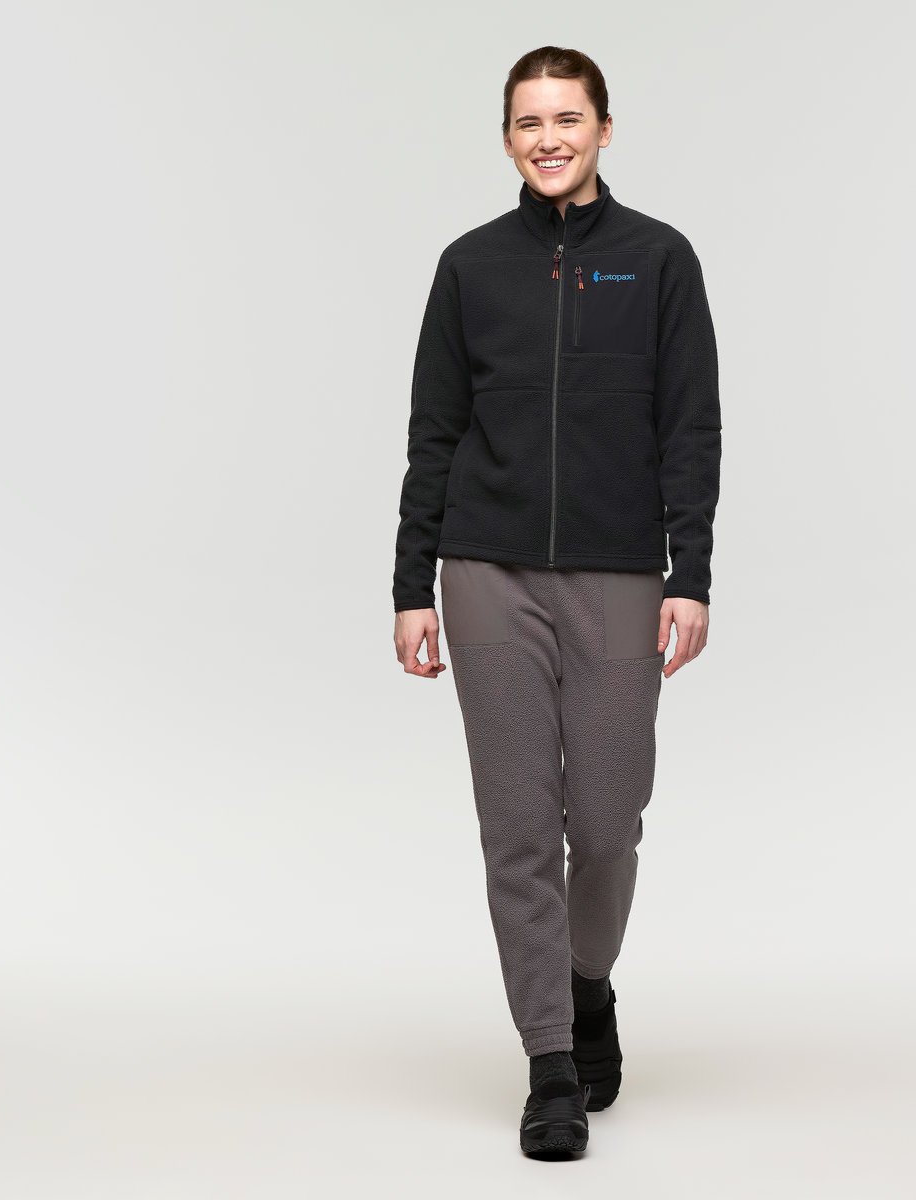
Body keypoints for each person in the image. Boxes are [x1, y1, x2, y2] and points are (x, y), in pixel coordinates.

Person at [392, 45, 722, 1156]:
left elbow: (691, 427)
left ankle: (588, 986)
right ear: (507, 138)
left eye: (568, 118)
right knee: (520, 830)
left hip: (620, 572)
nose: (549, 138)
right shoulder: (470, 266)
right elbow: (434, 434)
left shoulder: (658, 259)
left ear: (604, 129)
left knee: (609, 820)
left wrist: (690, 573)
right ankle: (549, 1065)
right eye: (529, 122)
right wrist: (412, 585)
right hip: (485, 573)